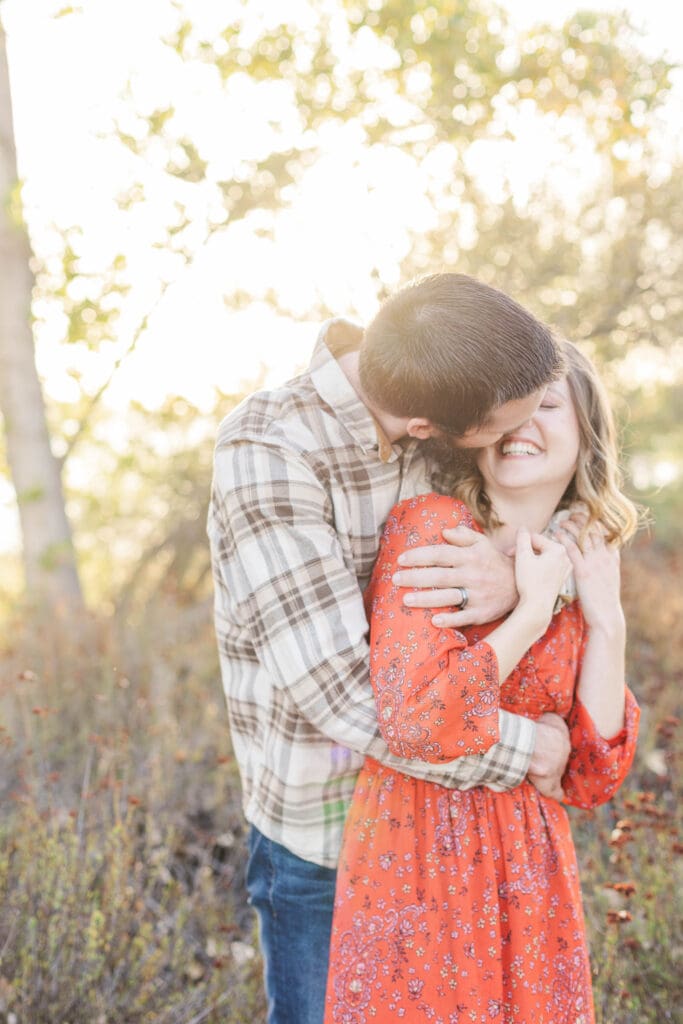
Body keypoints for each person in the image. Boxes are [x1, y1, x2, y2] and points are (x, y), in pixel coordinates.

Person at [208, 273, 573, 1024]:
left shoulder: (451, 363)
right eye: (506, 423)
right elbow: (343, 695)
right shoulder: (269, 451)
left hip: (456, 829)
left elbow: (559, 494)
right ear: (424, 431)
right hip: (329, 837)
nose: (521, 428)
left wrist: (528, 582)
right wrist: (529, 751)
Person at [323, 340, 641, 1024]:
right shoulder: (431, 530)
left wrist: (604, 618)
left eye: (546, 405)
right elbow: (419, 722)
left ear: (587, 432)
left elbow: (590, 774)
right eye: (506, 411)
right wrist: (530, 611)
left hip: (530, 876)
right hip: (416, 853)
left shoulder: (580, 557)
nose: (521, 425)